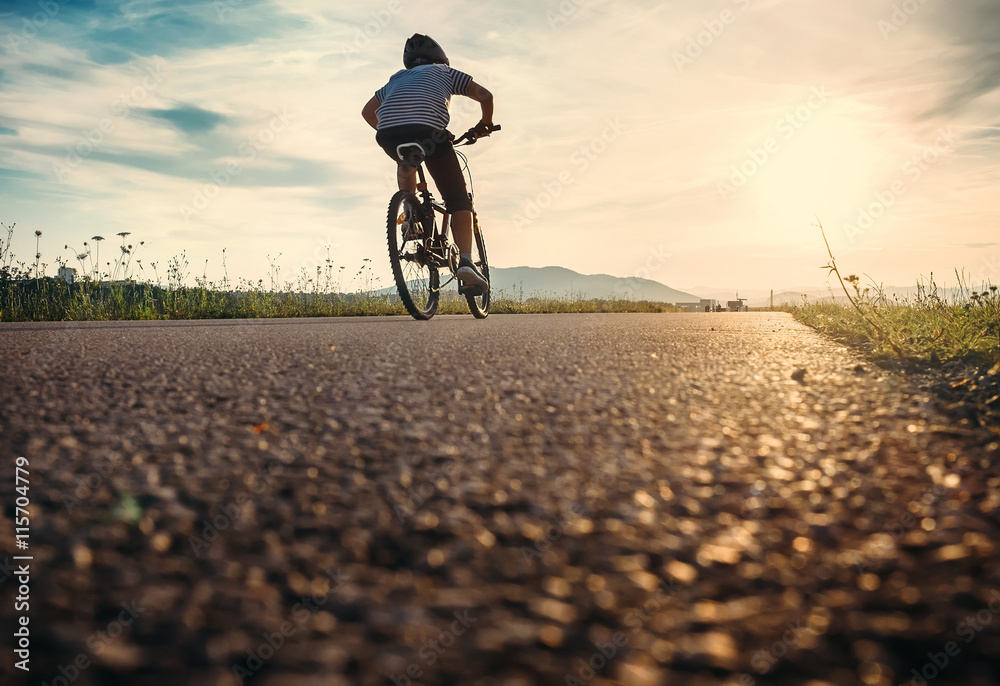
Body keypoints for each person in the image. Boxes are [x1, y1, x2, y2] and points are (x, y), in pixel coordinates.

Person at [361, 34, 495, 294]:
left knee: (407, 163)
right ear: (440, 58)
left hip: (388, 134)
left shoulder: (396, 79)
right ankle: (466, 263)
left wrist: (395, 128)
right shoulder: (446, 73)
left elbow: (367, 112)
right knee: (457, 200)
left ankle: (411, 214)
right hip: (429, 133)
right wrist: (485, 124)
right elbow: (485, 95)